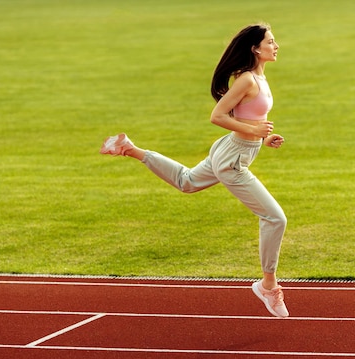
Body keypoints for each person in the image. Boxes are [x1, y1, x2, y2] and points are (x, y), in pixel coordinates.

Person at [100, 23, 289, 318]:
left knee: (186, 181)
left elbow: (247, 117)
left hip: (232, 150)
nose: (276, 46)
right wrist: (255, 131)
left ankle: (129, 148)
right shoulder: (247, 80)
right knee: (275, 218)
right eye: (271, 41)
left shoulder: (259, 79)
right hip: (232, 159)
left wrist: (264, 137)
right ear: (255, 48)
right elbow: (217, 115)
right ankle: (268, 285)